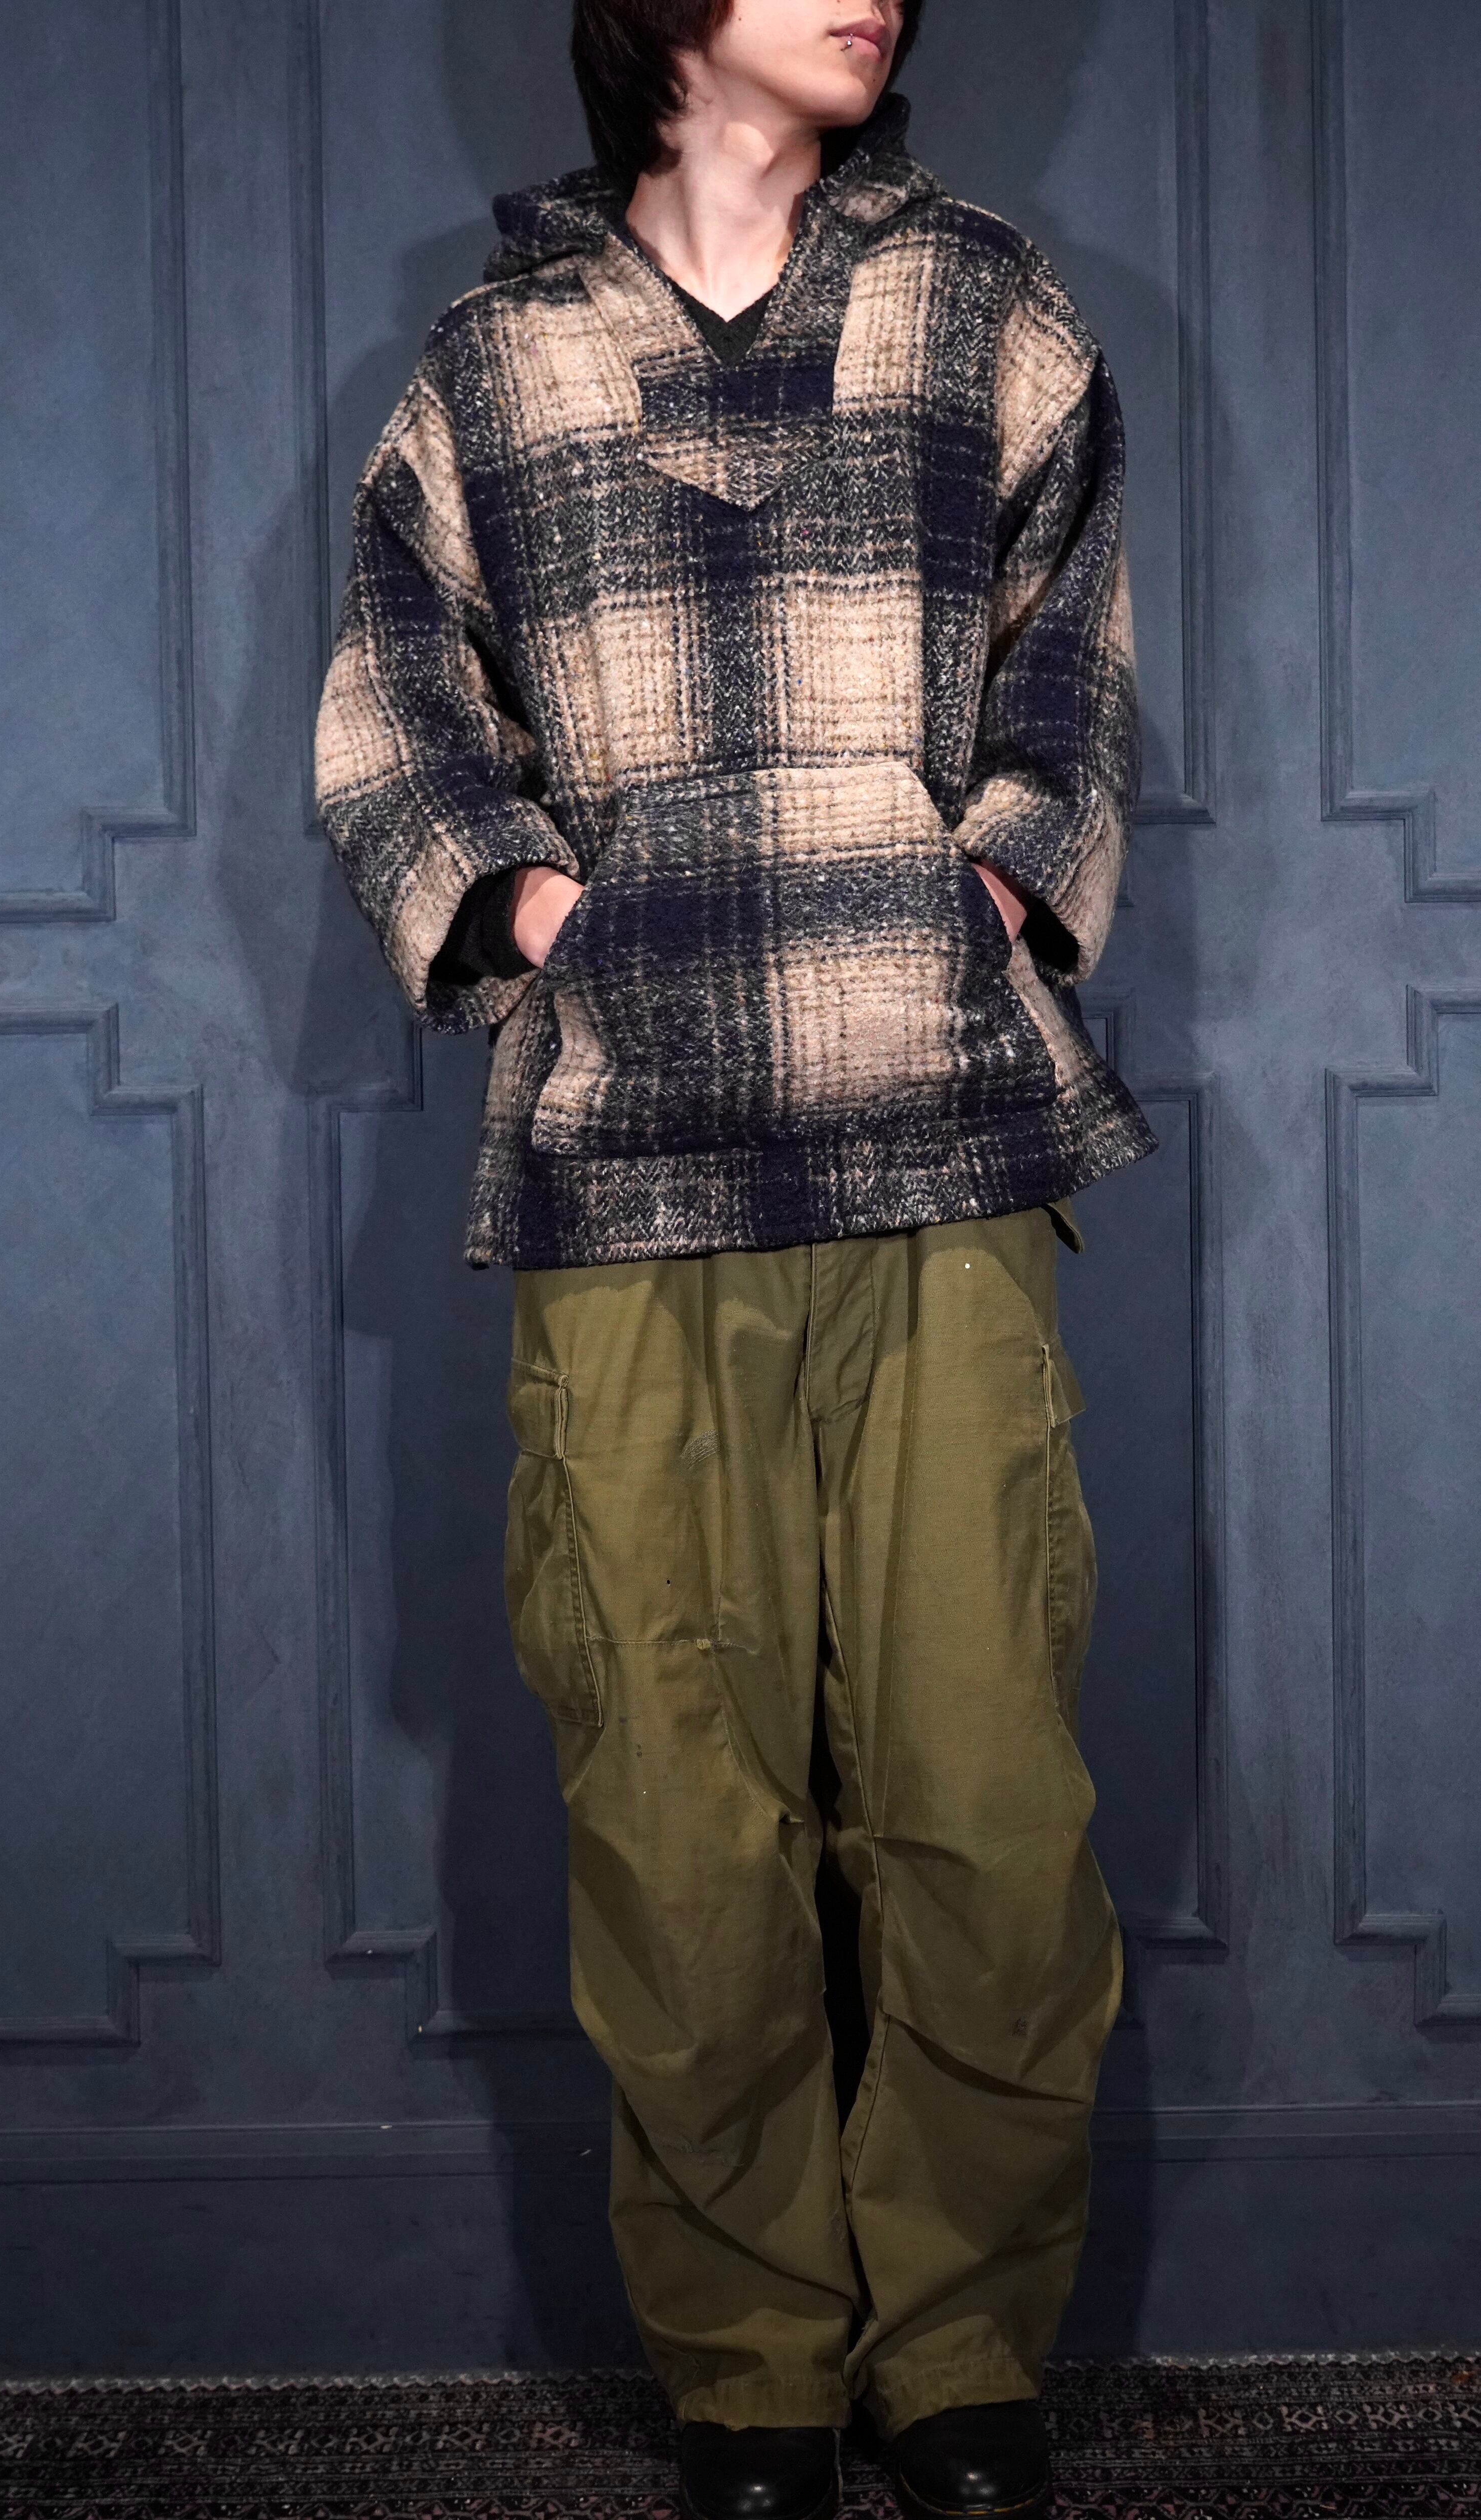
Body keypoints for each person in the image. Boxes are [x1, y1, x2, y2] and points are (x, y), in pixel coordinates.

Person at [315, 3, 1153, 2512]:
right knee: (675, 1808)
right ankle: (753, 2372)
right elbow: (390, 721)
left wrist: (972, 887)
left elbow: (1072, 677)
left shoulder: (983, 309)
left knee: (981, 1792)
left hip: (939, 1143)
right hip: (627, 1158)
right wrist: (544, 915)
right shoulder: (492, 363)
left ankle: (962, 2353)